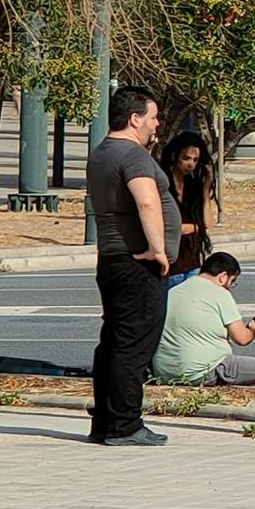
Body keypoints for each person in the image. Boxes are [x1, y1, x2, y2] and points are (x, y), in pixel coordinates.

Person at [85, 86, 180, 446]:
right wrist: (158, 250)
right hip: (136, 262)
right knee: (134, 344)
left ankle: (106, 422)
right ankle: (125, 424)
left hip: (111, 259)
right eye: (153, 117)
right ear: (134, 118)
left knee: (113, 340)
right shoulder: (133, 156)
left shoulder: (102, 153)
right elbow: (146, 203)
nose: (157, 124)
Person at [152, 252, 255, 387]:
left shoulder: (172, 292)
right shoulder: (220, 293)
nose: (231, 287)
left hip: (165, 372)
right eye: (232, 282)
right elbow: (241, 338)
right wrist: (252, 329)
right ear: (223, 277)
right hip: (204, 371)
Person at [159, 132, 215, 288]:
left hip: (192, 261)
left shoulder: (194, 186)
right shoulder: (164, 184)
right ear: (176, 156)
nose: (190, 164)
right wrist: (196, 227)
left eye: (195, 160)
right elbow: (170, 228)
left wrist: (205, 190)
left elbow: (208, 222)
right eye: (186, 158)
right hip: (169, 262)